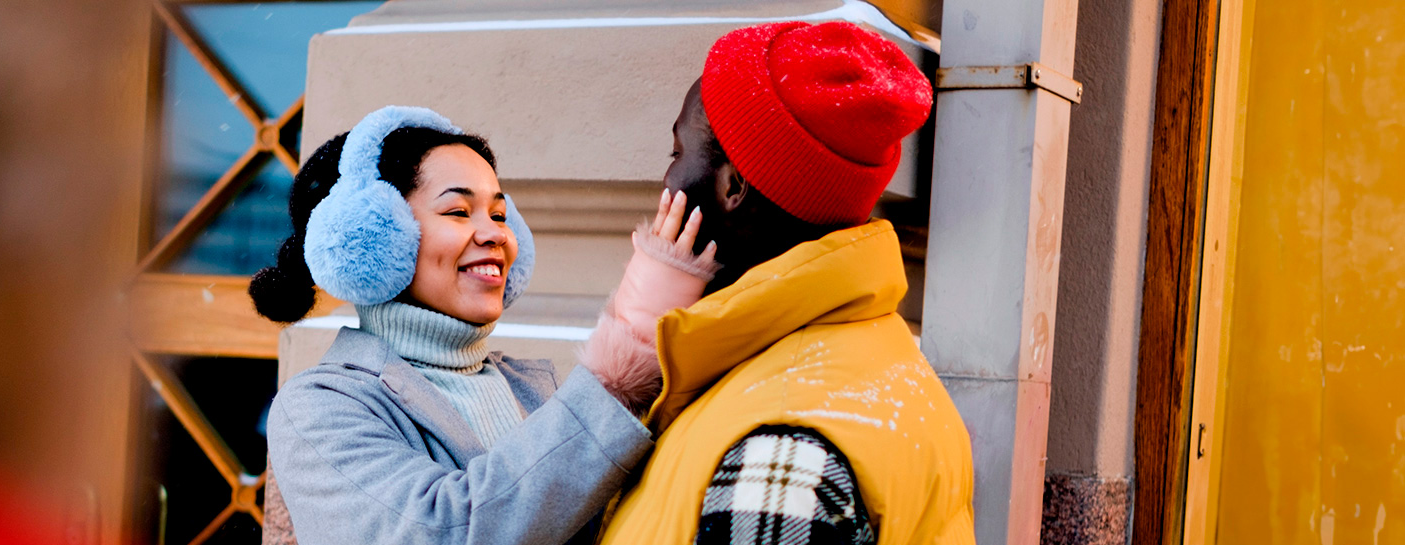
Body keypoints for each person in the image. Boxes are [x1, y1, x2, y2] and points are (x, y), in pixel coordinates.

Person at [252, 106, 716, 545]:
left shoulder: (534, 388)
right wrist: (621, 363)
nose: (496, 233)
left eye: (498, 214)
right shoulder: (319, 408)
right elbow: (447, 531)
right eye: (457, 211)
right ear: (376, 238)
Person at [598, 22, 977, 545]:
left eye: (677, 154)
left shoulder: (779, 457)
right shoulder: (881, 356)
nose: (667, 180)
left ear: (733, 186)